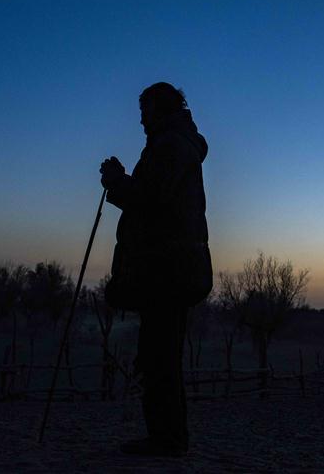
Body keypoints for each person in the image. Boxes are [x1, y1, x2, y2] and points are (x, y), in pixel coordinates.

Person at [99, 82, 209, 457]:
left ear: (160, 110)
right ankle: (166, 437)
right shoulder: (175, 145)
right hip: (172, 268)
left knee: (159, 357)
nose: (142, 120)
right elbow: (154, 198)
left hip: (168, 270)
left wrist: (117, 181)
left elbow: (151, 200)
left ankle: (167, 440)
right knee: (158, 354)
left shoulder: (171, 146)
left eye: (145, 111)